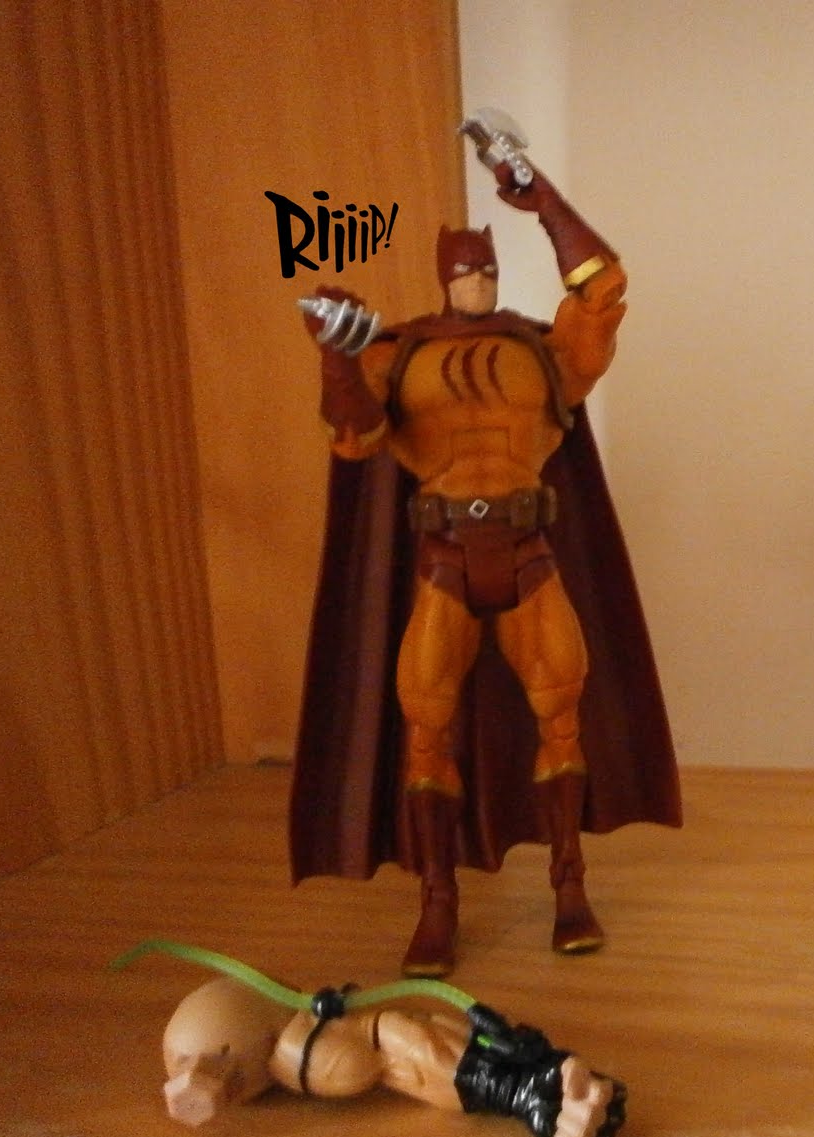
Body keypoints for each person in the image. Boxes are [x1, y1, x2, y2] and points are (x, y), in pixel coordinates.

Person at [289, 136, 680, 979]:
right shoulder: (398, 353)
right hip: (445, 562)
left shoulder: (540, 351)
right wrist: (335, 355)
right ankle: (438, 901)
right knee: (425, 731)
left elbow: (603, 291)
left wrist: (545, 203)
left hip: (530, 555)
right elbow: (354, 438)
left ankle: (569, 884)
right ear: (443, 276)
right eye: (466, 271)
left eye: (488, 270)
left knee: (562, 717)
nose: (479, 282)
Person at [160, 974, 625, 1137]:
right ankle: (543, 1094)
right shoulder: (293, 1053)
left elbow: (355, 1061)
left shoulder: (301, 1040)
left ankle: (548, 1087)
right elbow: (354, 1066)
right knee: (451, 1060)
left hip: (414, 1043)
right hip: (422, 1058)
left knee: (451, 1050)